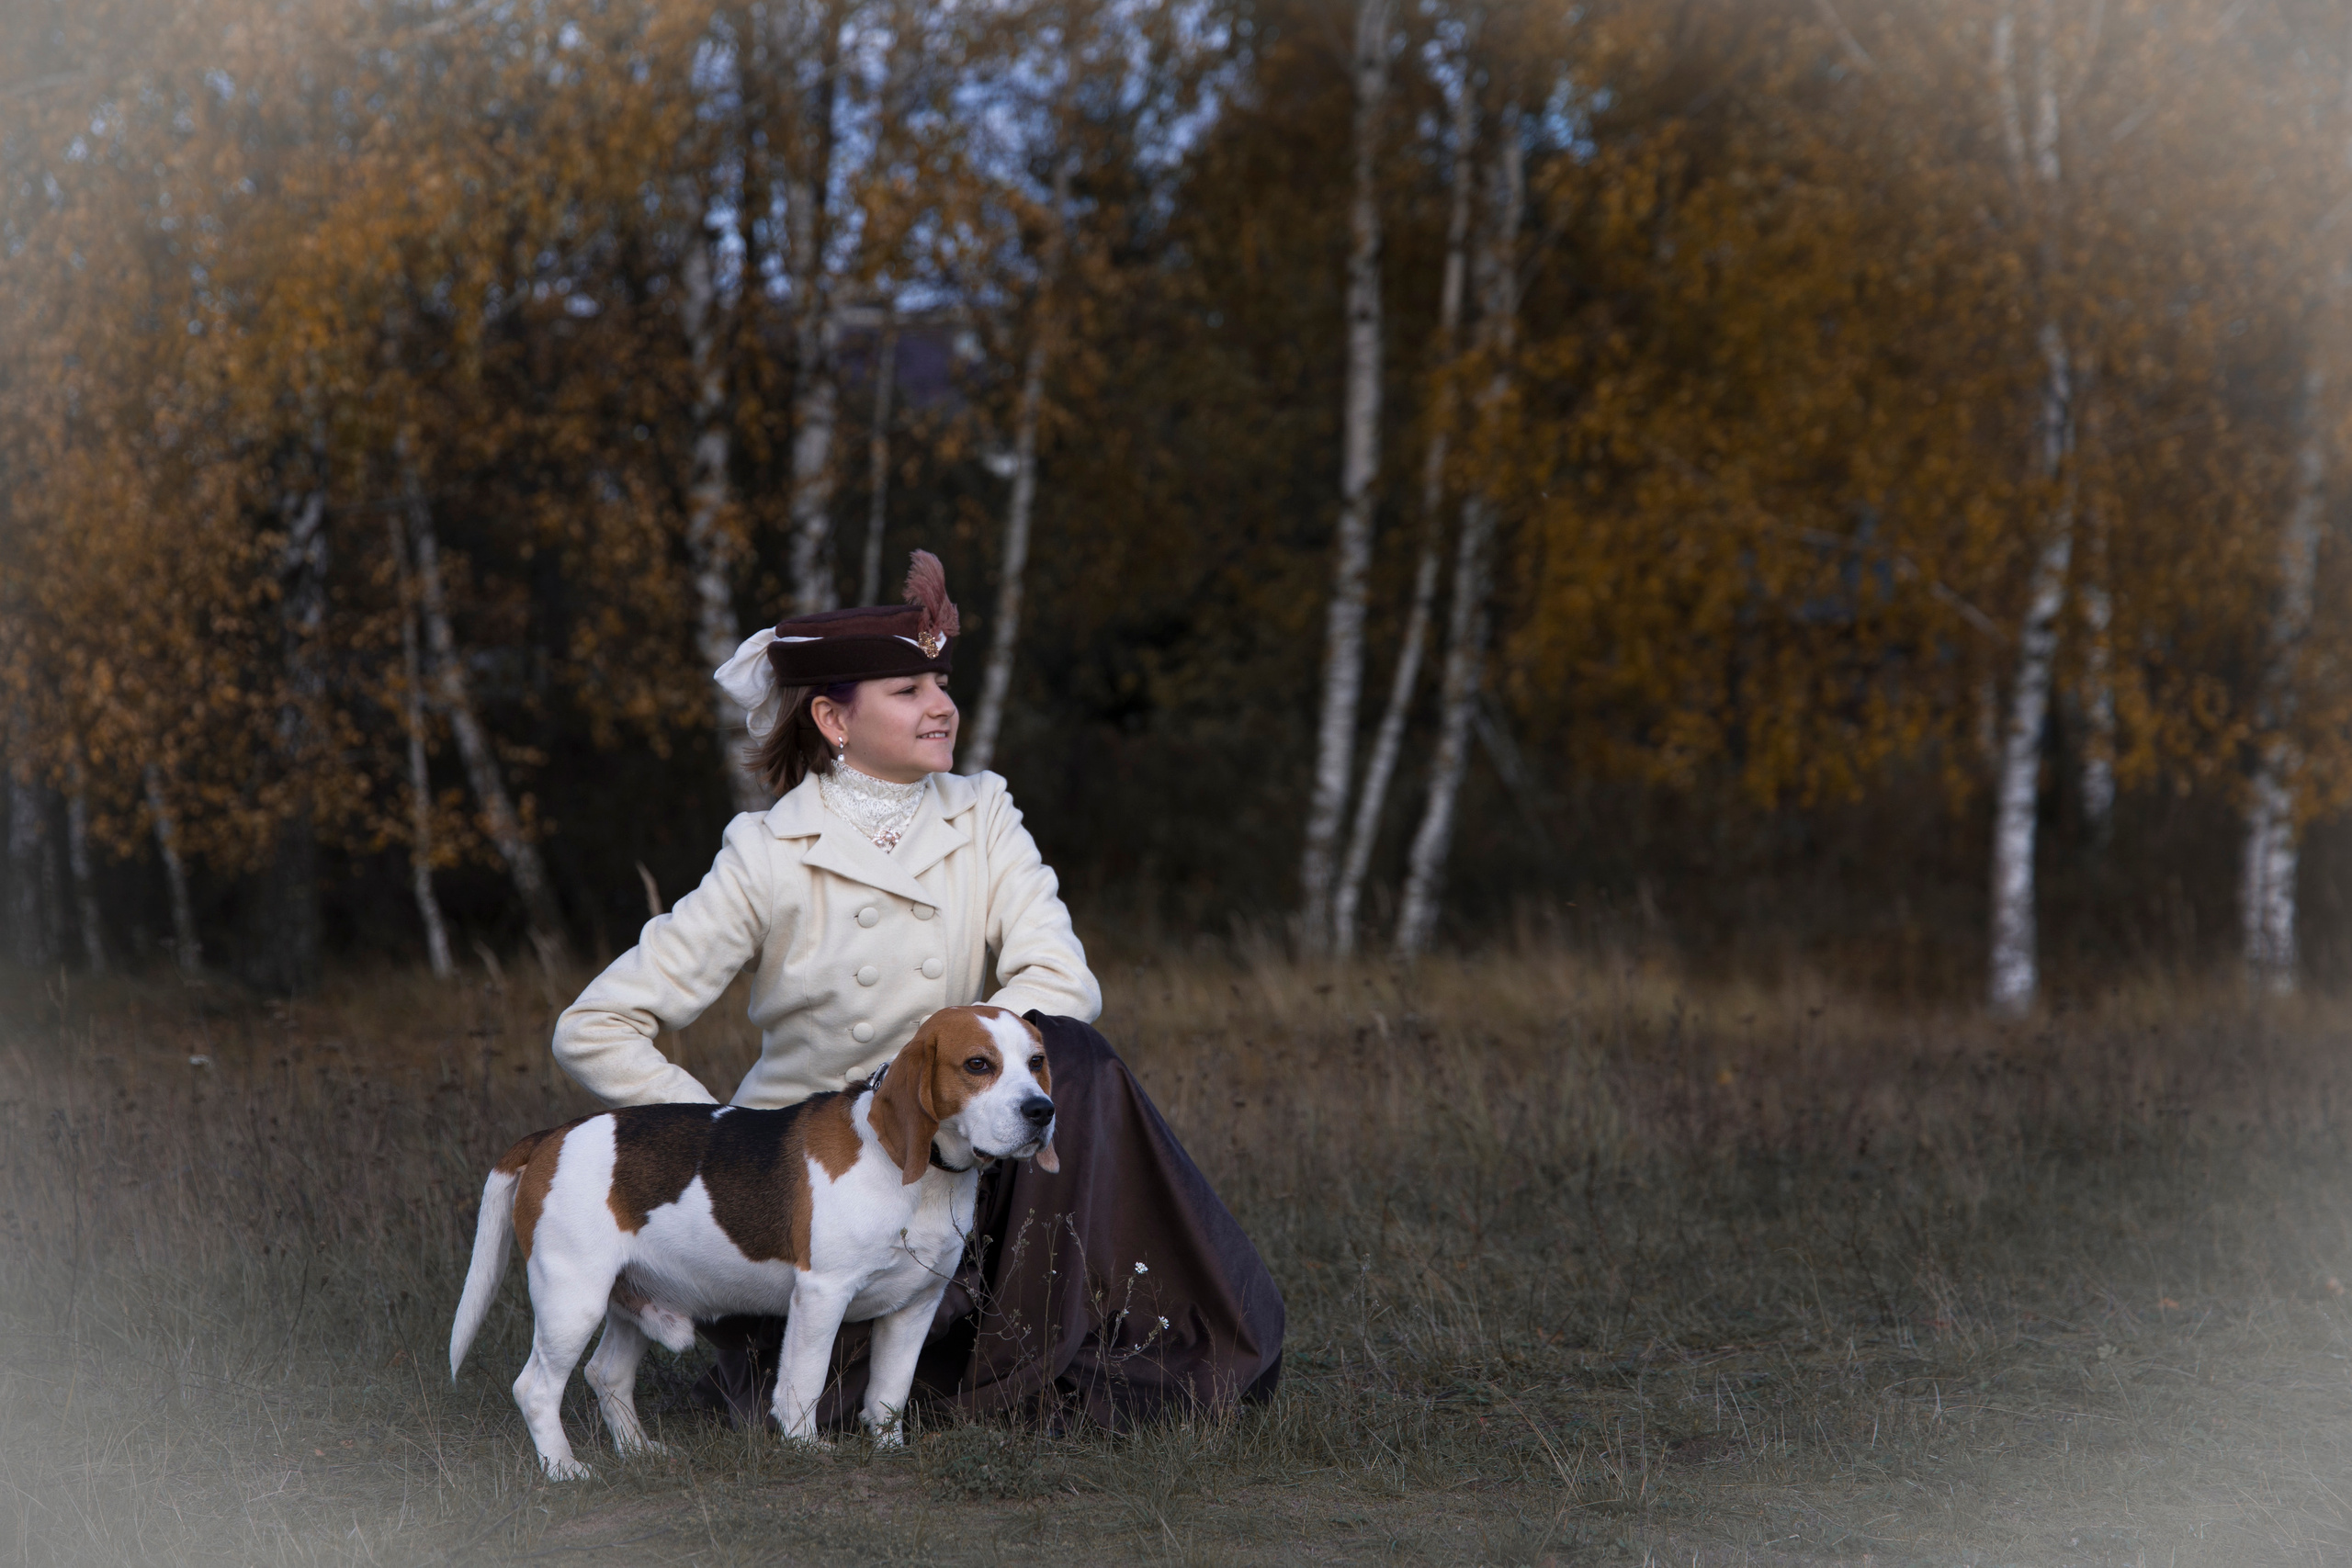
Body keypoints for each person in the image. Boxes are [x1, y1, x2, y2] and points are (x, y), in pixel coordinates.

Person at [549, 550, 1283, 1431]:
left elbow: (1061, 976)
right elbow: (595, 1025)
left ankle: (1075, 1349)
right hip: (808, 1180)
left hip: (962, 1141)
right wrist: (717, 1138)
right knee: (781, 1405)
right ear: (833, 716)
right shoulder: (768, 851)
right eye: (907, 689)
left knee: (1076, 1057)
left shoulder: (984, 813)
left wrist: (958, 1073)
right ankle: (875, 1361)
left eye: (941, 680)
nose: (941, 704)